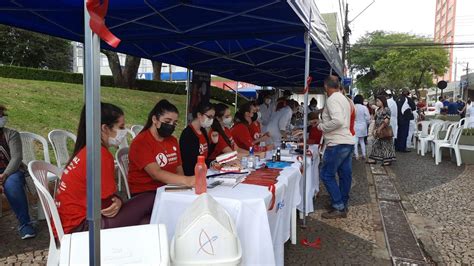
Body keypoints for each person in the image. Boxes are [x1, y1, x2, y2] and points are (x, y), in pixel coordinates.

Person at [56, 103, 155, 235]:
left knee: (146, 220)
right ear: (104, 128)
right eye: (121, 127)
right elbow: (107, 206)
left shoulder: (87, 150)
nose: (124, 132)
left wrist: (118, 200)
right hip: (83, 226)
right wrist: (118, 201)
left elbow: (105, 197)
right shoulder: (100, 155)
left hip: (70, 223)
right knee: (151, 198)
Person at [128, 100, 194, 195]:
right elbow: (156, 173)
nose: (171, 125)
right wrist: (187, 180)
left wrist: (184, 187)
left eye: (174, 123)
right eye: (167, 121)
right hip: (146, 192)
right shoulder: (141, 142)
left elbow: (178, 168)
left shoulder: (172, 140)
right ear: (154, 119)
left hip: (169, 188)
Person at [316, 76, 355, 219]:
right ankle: (342, 203)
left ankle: (338, 205)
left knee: (326, 175)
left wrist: (322, 126)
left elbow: (337, 121)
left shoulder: (332, 99)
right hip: (347, 141)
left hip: (337, 142)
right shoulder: (345, 99)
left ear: (326, 87)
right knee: (345, 175)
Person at [0, 105, 36, 239]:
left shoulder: (11, 134)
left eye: (3, 115)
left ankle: (25, 224)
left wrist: (5, 175)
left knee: (12, 185)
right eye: (0, 115)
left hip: (12, 170)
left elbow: (16, 158)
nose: (3, 118)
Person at [179, 102, 215, 176]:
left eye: (213, 117)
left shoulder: (203, 131)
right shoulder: (188, 134)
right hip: (192, 175)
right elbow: (192, 161)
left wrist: (214, 143)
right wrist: (214, 162)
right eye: (209, 117)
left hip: (204, 172)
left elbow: (205, 153)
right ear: (199, 115)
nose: (211, 120)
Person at [368, 96, 396, 166]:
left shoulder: (386, 109)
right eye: (376, 101)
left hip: (384, 129)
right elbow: (375, 120)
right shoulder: (378, 110)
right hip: (378, 129)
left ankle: (387, 160)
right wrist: (374, 129)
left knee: (386, 145)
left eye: (378, 101)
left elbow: (386, 120)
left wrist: (380, 128)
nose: (377, 102)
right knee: (375, 144)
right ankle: (373, 158)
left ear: (382, 101)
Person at [353, 95, 370, 160]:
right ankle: (364, 154)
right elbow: (368, 118)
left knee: (355, 141)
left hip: (355, 125)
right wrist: (367, 123)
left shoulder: (353, 107)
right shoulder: (364, 108)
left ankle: (356, 155)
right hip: (363, 126)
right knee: (362, 141)